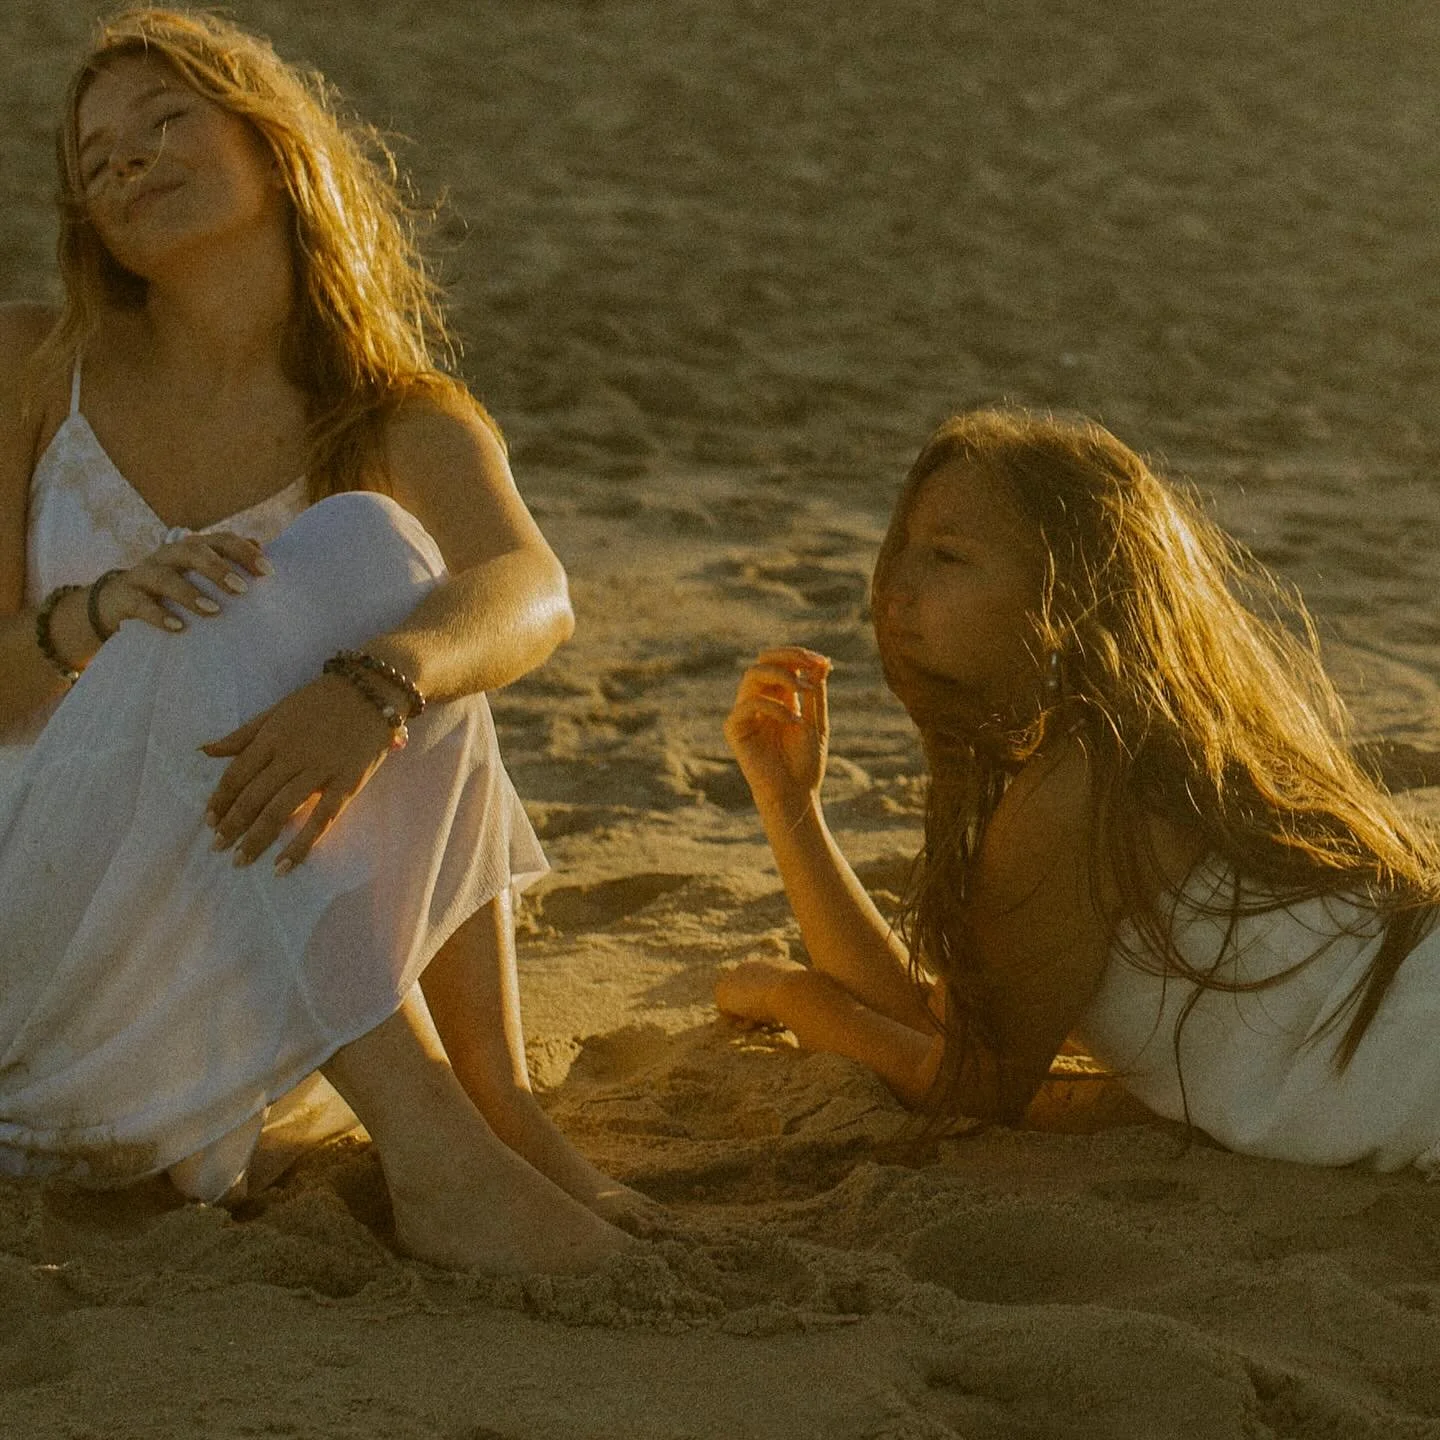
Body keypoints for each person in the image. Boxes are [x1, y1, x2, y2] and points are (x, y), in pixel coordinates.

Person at [0, 7, 632, 1273]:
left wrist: (375, 685)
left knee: (387, 566)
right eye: (96, 160)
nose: (125, 160)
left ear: (271, 140)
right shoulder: (31, 363)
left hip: (244, 1005)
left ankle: (493, 1104)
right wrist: (103, 612)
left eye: (165, 120)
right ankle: (436, 1144)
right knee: (214, 613)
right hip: (37, 962)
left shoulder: (395, 411)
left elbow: (530, 588)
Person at [716, 408, 1440, 1173]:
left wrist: (797, 1000)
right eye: (902, 549)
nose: (895, 588)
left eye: (947, 557)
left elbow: (970, 1089)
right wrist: (791, 805)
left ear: (1066, 596)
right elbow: (951, 1021)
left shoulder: (1083, 782)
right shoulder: (1131, 744)